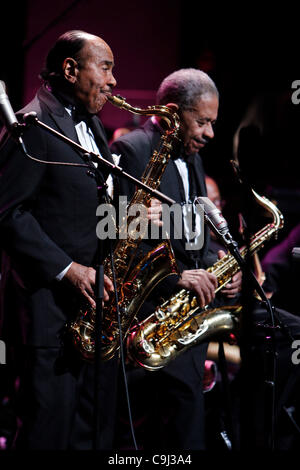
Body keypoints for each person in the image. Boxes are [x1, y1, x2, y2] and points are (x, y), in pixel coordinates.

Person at [0, 29, 161, 451]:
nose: (113, 82)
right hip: (48, 315)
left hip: (95, 313)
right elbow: (7, 213)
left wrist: (129, 217)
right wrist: (68, 270)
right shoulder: (32, 125)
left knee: (93, 435)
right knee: (47, 435)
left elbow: (85, 205)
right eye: (105, 68)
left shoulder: (90, 124)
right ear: (70, 69)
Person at [111, 68, 242, 450]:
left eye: (213, 123)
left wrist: (220, 265)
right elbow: (120, 241)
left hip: (185, 321)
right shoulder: (132, 150)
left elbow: (194, 234)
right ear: (172, 111)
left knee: (187, 432)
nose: (210, 134)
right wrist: (178, 277)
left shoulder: (193, 156)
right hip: (148, 321)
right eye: (202, 122)